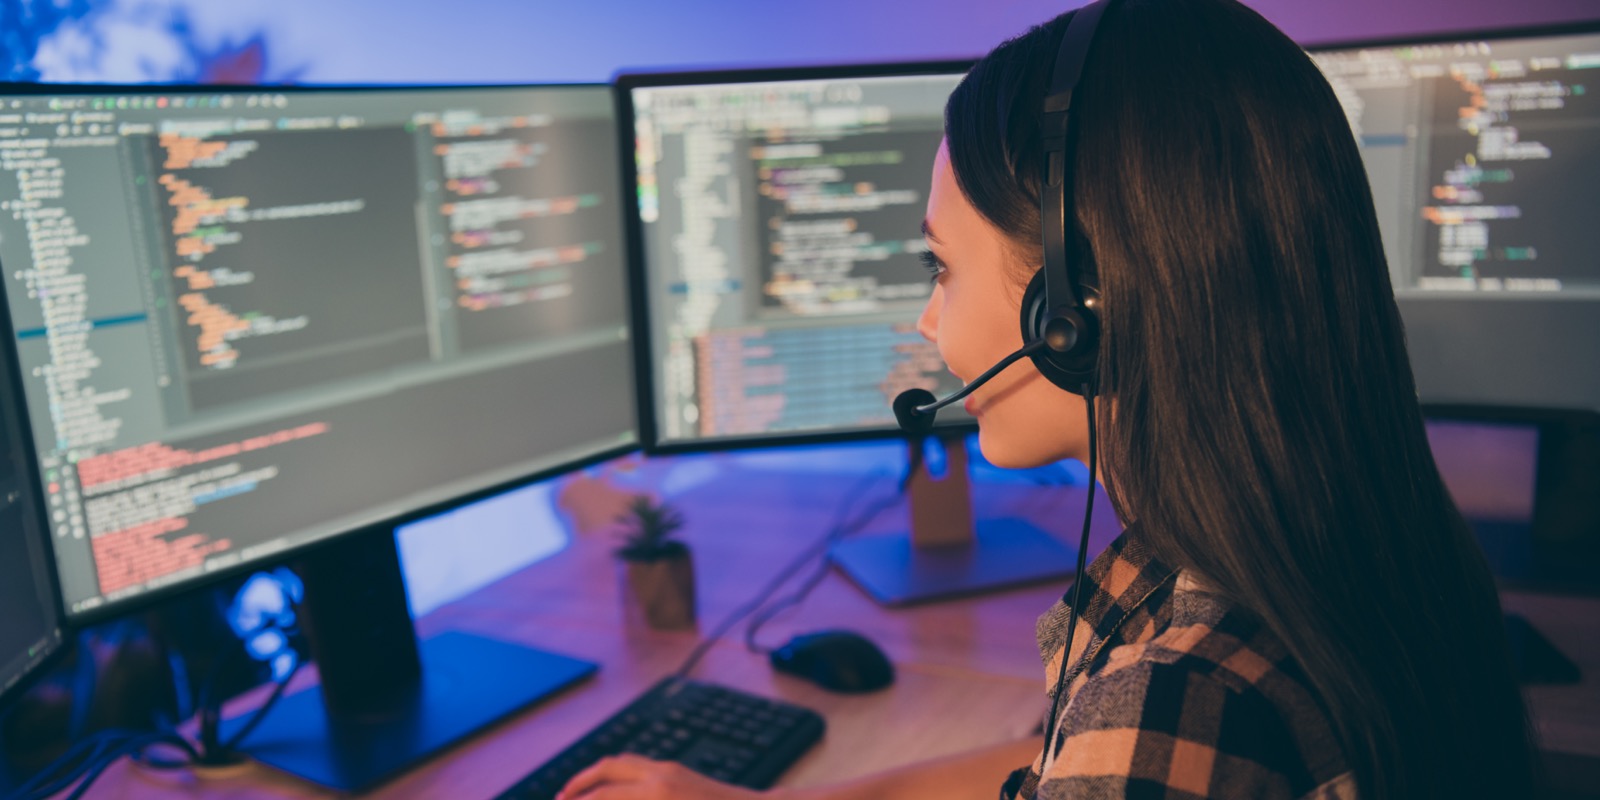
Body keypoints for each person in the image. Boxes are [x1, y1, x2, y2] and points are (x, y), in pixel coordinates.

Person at [557, 0, 1540, 797]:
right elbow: (1042, 770)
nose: (929, 327)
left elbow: (1111, 755)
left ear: (1079, 306)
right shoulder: (1333, 533)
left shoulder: (1178, 697)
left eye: (938, 267)